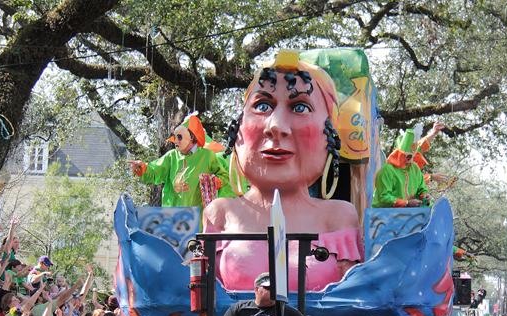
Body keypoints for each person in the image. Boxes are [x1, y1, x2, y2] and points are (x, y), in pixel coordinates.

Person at [203, 50, 363, 292]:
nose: (276, 126)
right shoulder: (220, 214)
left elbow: (353, 303)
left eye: (300, 108)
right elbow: (200, 295)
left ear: (329, 136)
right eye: (263, 105)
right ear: (237, 131)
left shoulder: (338, 217)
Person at [127, 114, 228, 210]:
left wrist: (212, 181)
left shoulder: (207, 156)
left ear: (191, 137)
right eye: (175, 137)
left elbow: (224, 177)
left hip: (198, 219)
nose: (175, 141)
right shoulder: (171, 157)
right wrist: (142, 168)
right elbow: (153, 172)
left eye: (179, 137)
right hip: (173, 219)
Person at [371, 123, 447, 208]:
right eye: (408, 157)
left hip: (410, 214)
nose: (410, 161)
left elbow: (421, 188)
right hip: (386, 215)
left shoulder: (414, 168)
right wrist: (406, 203)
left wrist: (424, 195)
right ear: (399, 154)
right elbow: (383, 197)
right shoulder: (386, 170)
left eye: (413, 157)